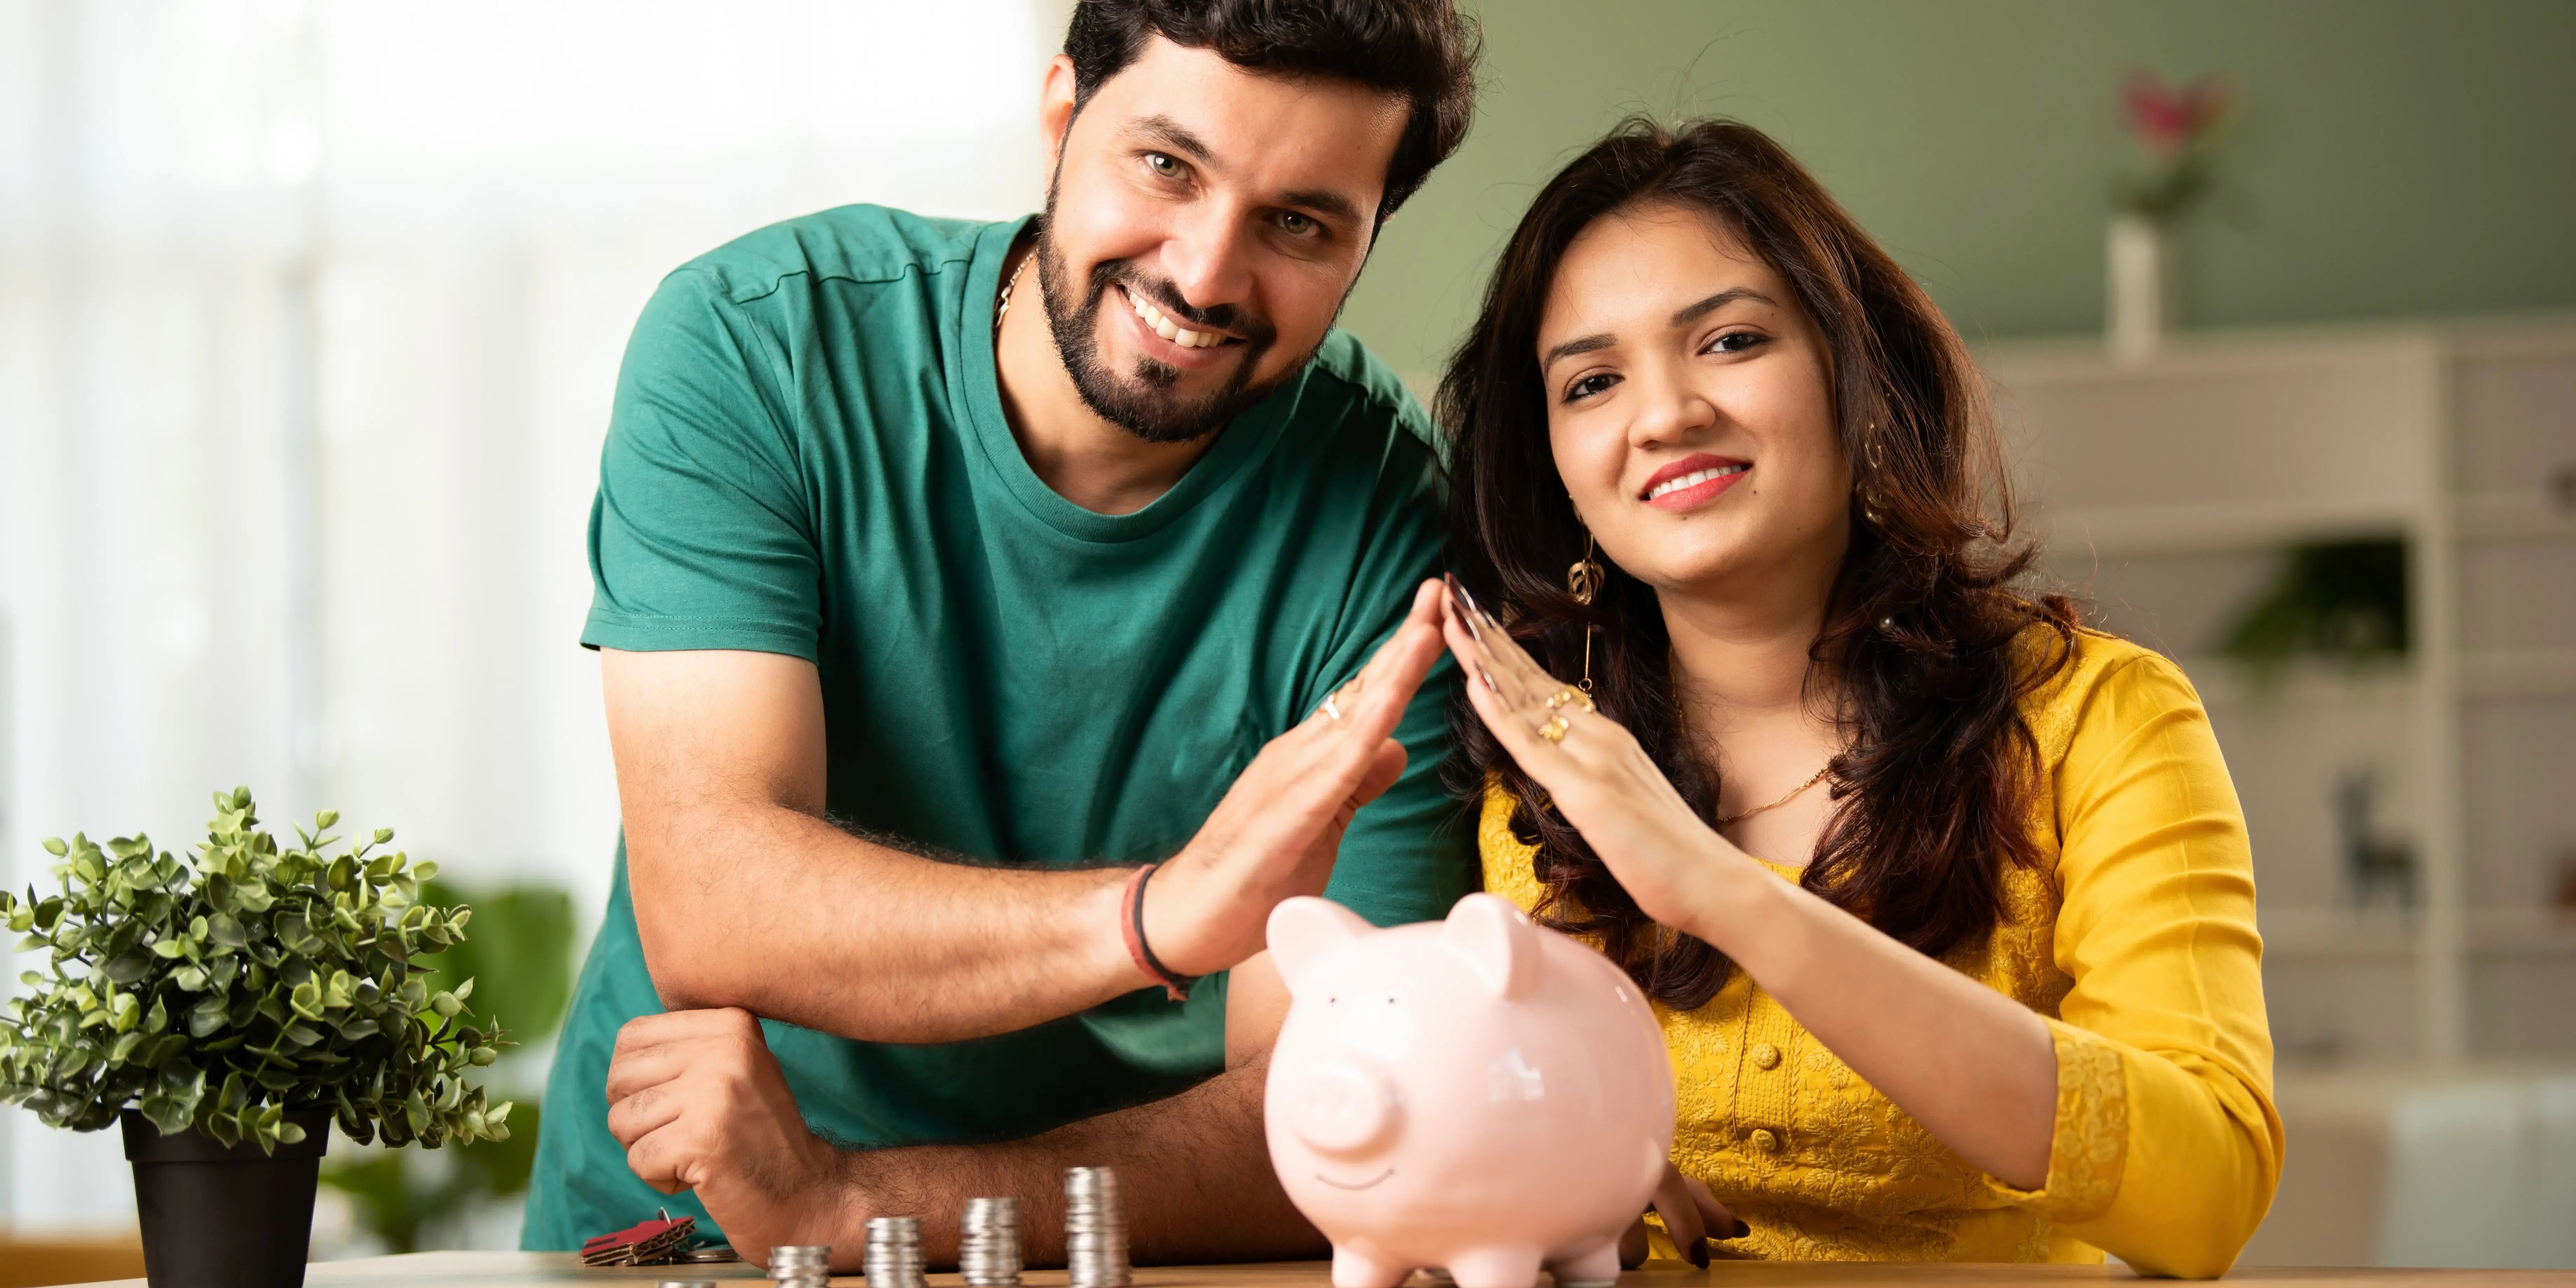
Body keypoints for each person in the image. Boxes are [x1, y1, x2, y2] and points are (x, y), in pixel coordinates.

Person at [524, 1, 1483, 1267]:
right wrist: (1156, 921)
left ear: (1370, 239)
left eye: (1298, 223)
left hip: (1099, 1244)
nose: (1203, 273)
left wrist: (852, 1204)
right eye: (1166, 165)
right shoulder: (754, 343)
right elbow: (713, 897)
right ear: (1060, 119)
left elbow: (1337, 1108)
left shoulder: (1386, 516)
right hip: (684, 1226)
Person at [1432, 119, 2280, 1278]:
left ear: (1855, 372)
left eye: (1729, 342)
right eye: (1591, 381)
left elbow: (2213, 1193)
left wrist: (1731, 896)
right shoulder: (1542, 765)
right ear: (1557, 464)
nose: (1664, 412)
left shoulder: (2103, 720)